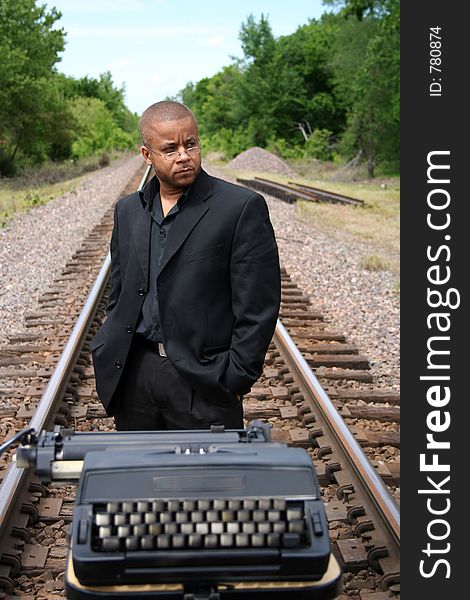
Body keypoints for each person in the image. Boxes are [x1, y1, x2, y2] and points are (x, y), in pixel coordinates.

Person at [91, 100, 281, 431]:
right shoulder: (128, 211)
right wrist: (108, 344)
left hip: (204, 382)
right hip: (137, 375)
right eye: (170, 148)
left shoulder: (239, 208)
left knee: (205, 483)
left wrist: (234, 379)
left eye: (190, 144)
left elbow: (259, 306)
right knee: (141, 478)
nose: (184, 155)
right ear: (147, 155)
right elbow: (119, 292)